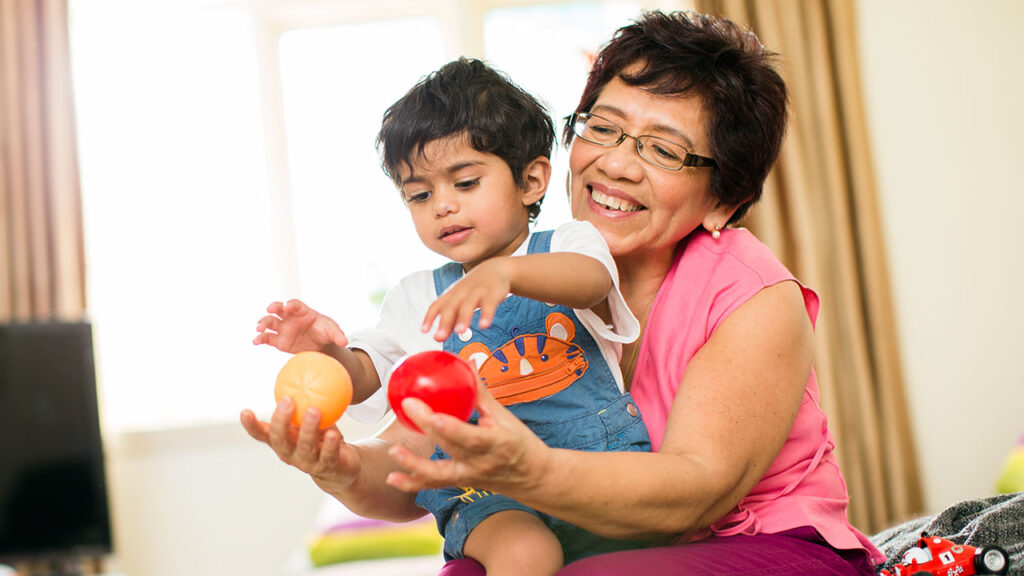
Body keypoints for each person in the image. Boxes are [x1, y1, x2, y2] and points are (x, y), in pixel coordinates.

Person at [241, 10, 887, 576]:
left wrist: (532, 471)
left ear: (726, 199)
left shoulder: (752, 295)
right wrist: (342, 469)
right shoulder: (496, 277)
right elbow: (418, 461)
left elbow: (697, 493)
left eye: (664, 150)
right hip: (592, 541)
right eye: (602, 128)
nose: (617, 163)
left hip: (761, 547)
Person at [250, 57, 650, 576]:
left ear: (531, 181)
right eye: (420, 194)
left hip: (597, 462)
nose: (442, 206)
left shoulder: (569, 245)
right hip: (490, 489)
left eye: (465, 183)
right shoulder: (418, 295)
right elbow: (370, 372)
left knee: (646, 544)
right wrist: (327, 352)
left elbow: (591, 280)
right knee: (526, 554)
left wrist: (505, 273)